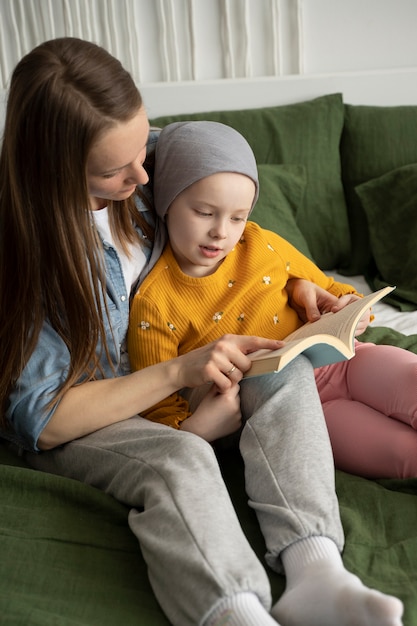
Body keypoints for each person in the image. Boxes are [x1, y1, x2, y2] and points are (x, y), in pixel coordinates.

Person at [0, 37, 404, 626]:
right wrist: (182, 379)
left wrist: (296, 287)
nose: (144, 173)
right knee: (179, 459)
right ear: (55, 168)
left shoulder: (149, 157)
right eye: (116, 170)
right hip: (92, 411)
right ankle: (238, 613)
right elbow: (44, 417)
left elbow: (229, 212)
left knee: (281, 367)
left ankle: (316, 570)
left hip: (187, 374)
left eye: (144, 146)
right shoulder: (24, 253)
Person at [128, 120, 417, 479]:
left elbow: (336, 290)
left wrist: (352, 312)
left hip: (349, 361)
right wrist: (198, 430)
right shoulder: (153, 302)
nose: (221, 232)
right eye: (204, 212)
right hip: (300, 412)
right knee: (406, 455)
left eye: (238, 217)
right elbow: (158, 411)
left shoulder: (259, 243)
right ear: (167, 201)